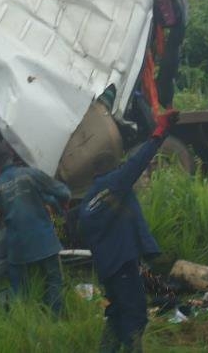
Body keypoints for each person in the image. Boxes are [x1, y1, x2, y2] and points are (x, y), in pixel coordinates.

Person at [79, 109, 179, 353]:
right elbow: (137, 163)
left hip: (108, 270)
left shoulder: (87, 201)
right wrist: (160, 131)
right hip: (122, 266)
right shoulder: (114, 184)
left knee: (116, 314)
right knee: (135, 316)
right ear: (113, 169)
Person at [0, 142, 71, 315]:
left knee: (20, 290)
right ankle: (55, 319)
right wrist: (61, 206)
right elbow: (64, 193)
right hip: (43, 240)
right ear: (12, 156)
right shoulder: (30, 174)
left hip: (17, 246)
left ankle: (26, 320)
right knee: (54, 279)